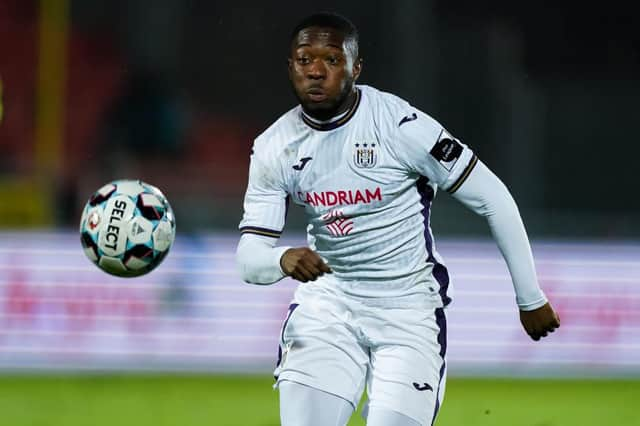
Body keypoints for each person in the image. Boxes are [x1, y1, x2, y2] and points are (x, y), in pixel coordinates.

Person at [236, 12, 560, 426]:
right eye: (304, 59)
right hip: (327, 307)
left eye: (331, 60)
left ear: (356, 68)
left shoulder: (400, 126)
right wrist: (281, 258)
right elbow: (249, 258)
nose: (315, 71)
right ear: (290, 67)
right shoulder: (273, 147)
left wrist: (529, 296)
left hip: (409, 312)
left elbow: (493, 197)